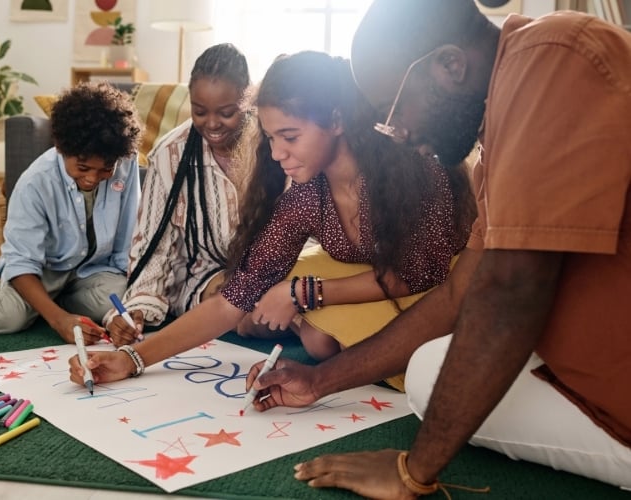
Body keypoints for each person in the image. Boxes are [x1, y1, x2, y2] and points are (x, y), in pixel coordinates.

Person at [246, 1, 631, 497]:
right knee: (430, 372)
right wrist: (320, 381)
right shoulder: (500, 132)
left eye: (394, 111)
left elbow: (509, 289)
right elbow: (458, 296)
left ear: (449, 65)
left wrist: (412, 471)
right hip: (591, 379)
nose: (396, 134)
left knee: (441, 374)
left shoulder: (551, 56)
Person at [68, 50, 472, 392]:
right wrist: (131, 358)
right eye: (270, 137)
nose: (277, 153)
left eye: (290, 136)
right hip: (371, 275)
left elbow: (416, 275)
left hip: (444, 284)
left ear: (336, 121)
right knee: (314, 338)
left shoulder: (416, 168)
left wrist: (300, 293)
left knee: (414, 369)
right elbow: (232, 301)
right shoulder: (307, 196)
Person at [0, 82, 141, 345]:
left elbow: (127, 243)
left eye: (105, 170)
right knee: (10, 316)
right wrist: (59, 320)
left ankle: (55, 304)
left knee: (122, 296)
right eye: (83, 167)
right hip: (42, 273)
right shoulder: (35, 182)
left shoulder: (125, 163)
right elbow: (20, 263)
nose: (92, 178)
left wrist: (122, 308)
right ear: (63, 148)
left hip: (91, 273)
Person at [103, 43, 251, 346]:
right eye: (200, 111)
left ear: (247, 100)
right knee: (247, 311)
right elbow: (154, 241)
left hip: (279, 266)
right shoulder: (171, 155)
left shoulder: (273, 140)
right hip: (208, 273)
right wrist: (140, 307)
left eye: (226, 112)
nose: (211, 124)